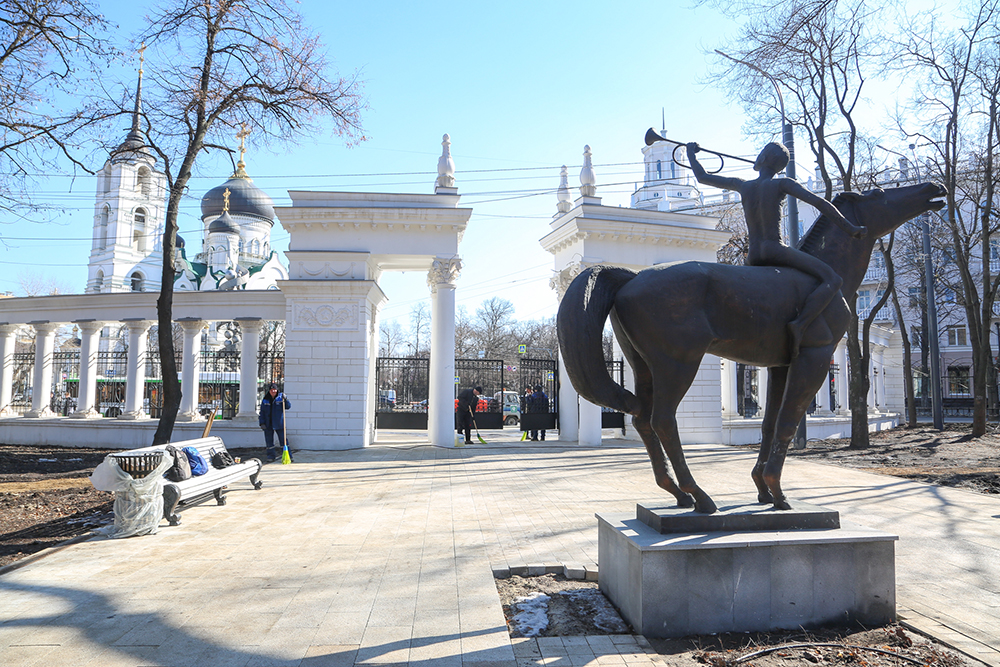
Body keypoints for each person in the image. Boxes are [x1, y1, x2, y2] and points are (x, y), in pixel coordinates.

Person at [686, 141, 867, 357]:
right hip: (774, 250)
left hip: (753, 255)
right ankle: (800, 324)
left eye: (760, 153)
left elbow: (702, 177)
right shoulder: (782, 184)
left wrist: (690, 153)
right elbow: (820, 204)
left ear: (762, 158)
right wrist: (850, 228)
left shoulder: (743, 185)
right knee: (833, 279)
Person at [259, 383, 292, 462]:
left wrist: (286, 399)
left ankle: (288, 456)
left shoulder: (281, 398)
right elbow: (262, 412)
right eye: (271, 390)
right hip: (268, 424)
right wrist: (262, 423)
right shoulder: (265, 400)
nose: (273, 391)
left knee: (283, 441)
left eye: (274, 389)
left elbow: (288, 406)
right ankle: (271, 456)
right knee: (269, 442)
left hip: (279, 423)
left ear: (277, 390)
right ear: (269, 391)